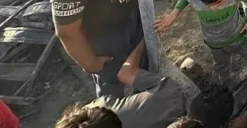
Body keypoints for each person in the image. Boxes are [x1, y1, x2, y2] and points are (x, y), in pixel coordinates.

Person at [54, 41, 186, 128]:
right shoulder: (100, 108)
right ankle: (144, 38)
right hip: (173, 97)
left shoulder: (100, 112)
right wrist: (146, 36)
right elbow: (125, 74)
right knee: (125, 75)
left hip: (176, 107)